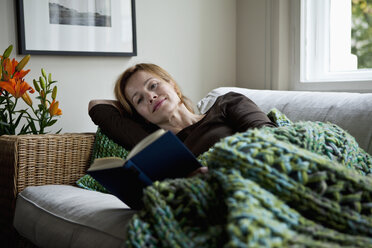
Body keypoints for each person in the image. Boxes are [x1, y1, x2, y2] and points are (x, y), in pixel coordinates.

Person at [111, 63, 277, 175]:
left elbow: (271, 138)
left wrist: (218, 171)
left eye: (153, 85)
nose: (150, 96)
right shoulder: (161, 148)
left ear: (173, 86)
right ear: (141, 116)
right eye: (138, 99)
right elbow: (97, 107)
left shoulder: (227, 104)